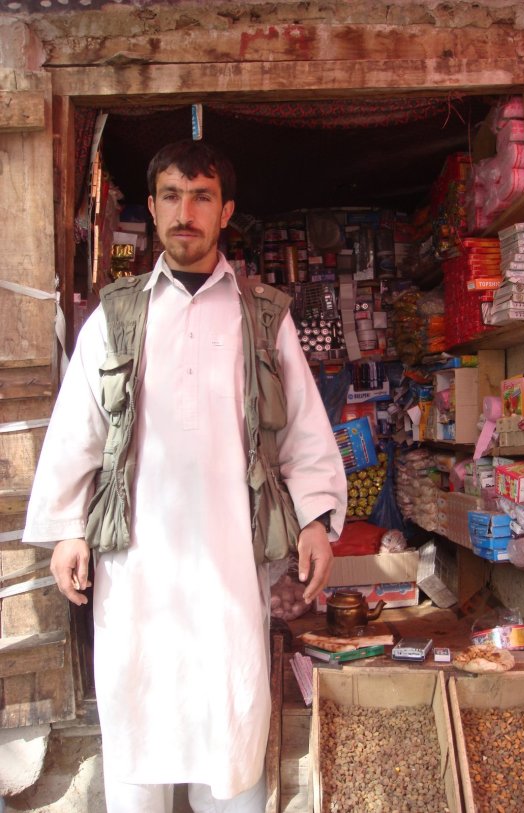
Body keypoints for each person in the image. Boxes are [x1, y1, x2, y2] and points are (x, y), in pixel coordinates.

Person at [23, 139, 347, 813]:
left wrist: (316, 520)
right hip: (136, 570)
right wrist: (64, 530)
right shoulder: (117, 315)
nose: (185, 212)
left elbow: (304, 430)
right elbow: (78, 426)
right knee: (138, 728)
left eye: (201, 197)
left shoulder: (262, 316)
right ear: (152, 206)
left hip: (231, 568)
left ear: (225, 210)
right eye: (171, 196)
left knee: (229, 729)